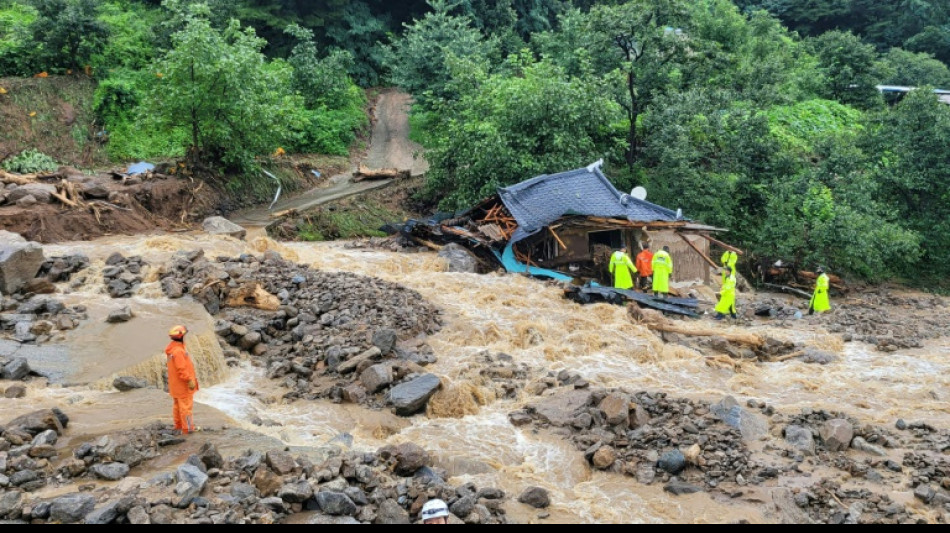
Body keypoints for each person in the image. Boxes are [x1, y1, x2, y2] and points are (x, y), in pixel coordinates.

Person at [165, 325, 199, 435]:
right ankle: (188, 429)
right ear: (181, 337)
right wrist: (189, 380)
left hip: (175, 386)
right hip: (183, 386)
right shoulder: (179, 351)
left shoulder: (172, 349)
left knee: (177, 406)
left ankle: (178, 426)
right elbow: (182, 369)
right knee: (186, 408)